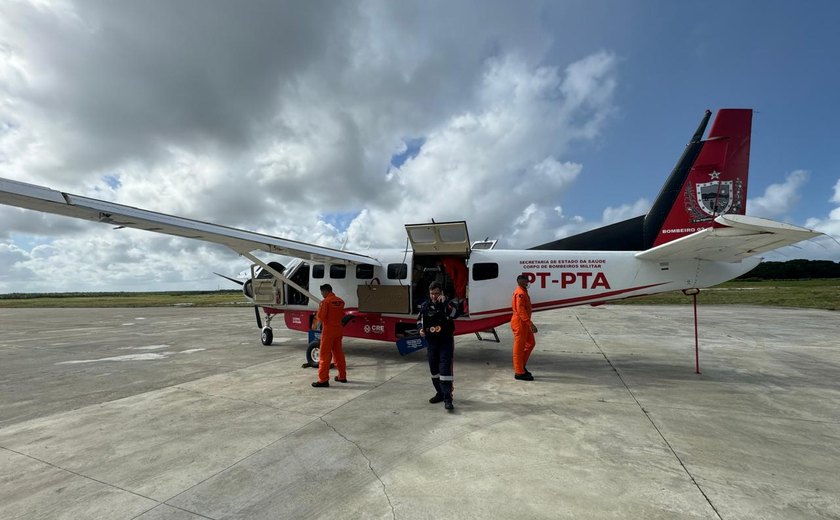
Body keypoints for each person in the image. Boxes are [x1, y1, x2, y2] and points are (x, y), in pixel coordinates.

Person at [417, 281, 461, 410]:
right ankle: (440, 393)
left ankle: (448, 398)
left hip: (445, 342)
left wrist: (446, 303)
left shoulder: (447, 304)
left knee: (445, 371)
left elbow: (456, 314)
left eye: (436, 293)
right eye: (432, 293)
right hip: (431, 343)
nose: (434, 296)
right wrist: (420, 329)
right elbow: (419, 320)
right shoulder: (425, 306)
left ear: (441, 293)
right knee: (434, 371)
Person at [311, 284, 347, 387]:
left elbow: (320, 317)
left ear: (325, 291)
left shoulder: (325, 302)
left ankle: (323, 380)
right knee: (338, 353)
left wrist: (313, 326)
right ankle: (342, 376)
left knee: (324, 355)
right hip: (338, 330)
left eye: (322, 292)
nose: (322, 294)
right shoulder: (340, 301)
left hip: (328, 332)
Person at [511, 274, 537, 381]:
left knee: (531, 343)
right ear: (521, 282)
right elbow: (520, 310)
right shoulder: (520, 293)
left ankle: (522, 365)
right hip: (520, 323)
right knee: (519, 348)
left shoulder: (523, 291)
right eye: (526, 281)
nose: (528, 283)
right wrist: (530, 323)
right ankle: (519, 372)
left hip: (524, 322)